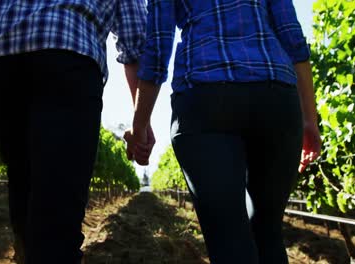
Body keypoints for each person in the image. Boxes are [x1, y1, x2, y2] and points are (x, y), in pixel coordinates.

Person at [0, 0, 153, 263]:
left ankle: (27, 250)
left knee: (23, 176)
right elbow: (136, 35)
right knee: (56, 214)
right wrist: (142, 120)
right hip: (65, 46)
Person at [126, 0, 322, 263]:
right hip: (276, 97)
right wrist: (310, 118)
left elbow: (158, 49)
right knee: (268, 230)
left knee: (229, 239)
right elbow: (292, 37)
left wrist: (140, 125)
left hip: (204, 97)